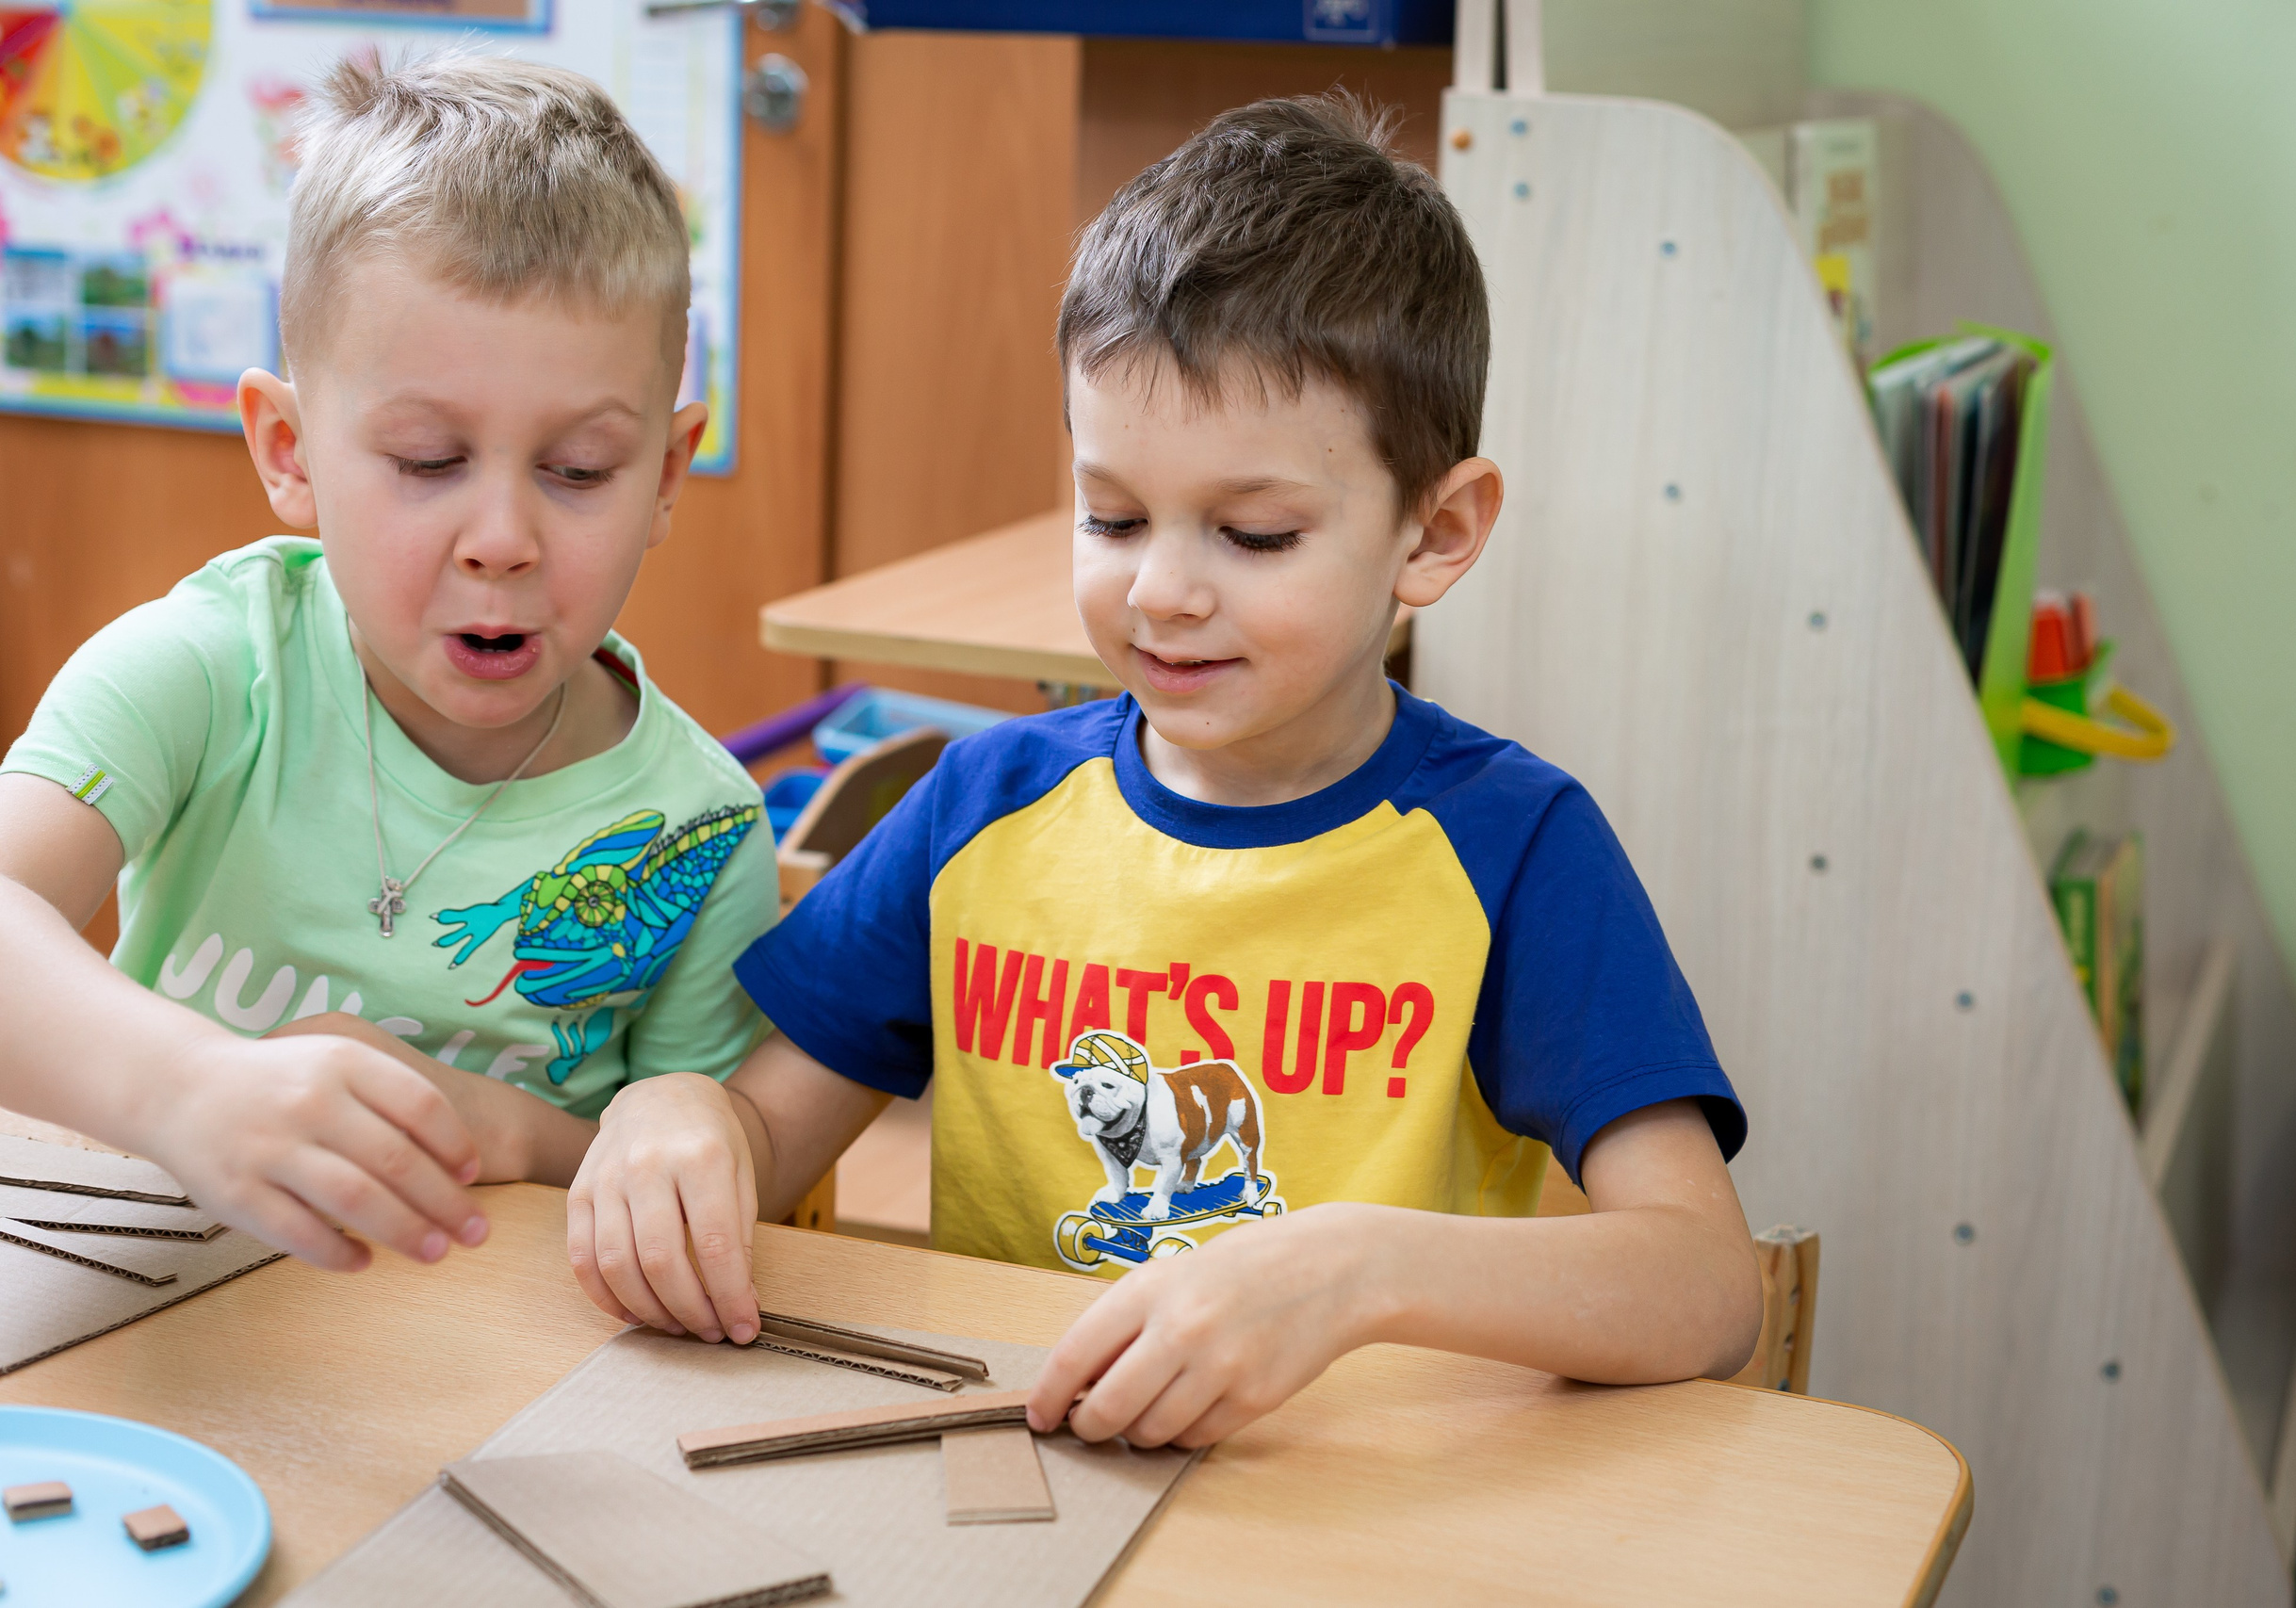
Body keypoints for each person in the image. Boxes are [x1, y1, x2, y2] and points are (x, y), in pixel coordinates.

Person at [569, 94, 1761, 1449]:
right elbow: (759, 1131)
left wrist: (1358, 1268)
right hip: (1018, 1471)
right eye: (1114, 516)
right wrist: (678, 1113)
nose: (1162, 592)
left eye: (1254, 534)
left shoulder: (1514, 846)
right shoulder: (981, 805)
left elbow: (1708, 1285)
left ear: (1435, 533)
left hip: (1340, 1499)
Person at [0, 54, 776, 1275]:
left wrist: (508, 1130)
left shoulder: (701, 830)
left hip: (479, 1354)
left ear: (667, 475)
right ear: (289, 450)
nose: (503, 539)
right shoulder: (207, 666)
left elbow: (696, 1191)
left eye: (578, 470)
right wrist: (188, 1089)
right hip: (152, 1304)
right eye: (426, 460)